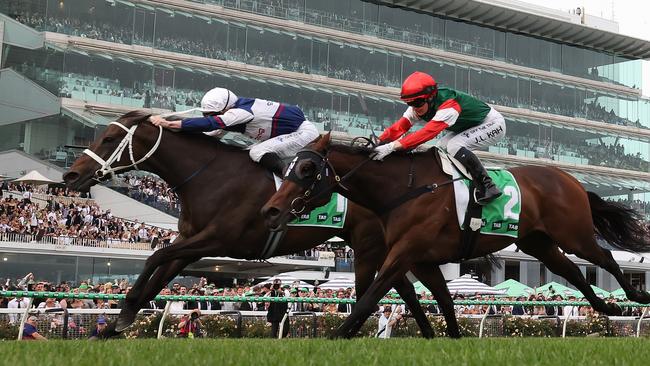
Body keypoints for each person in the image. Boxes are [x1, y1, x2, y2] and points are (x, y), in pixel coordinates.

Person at [371, 71, 506, 204]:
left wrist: (392, 146)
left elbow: (427, 133)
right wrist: (379, 141)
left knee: (454, 146)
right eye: (409, 103)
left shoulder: (449, 105)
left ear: (430, 97)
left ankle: (488, 186)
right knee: (440, 147)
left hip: (492, 123)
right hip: (469, 125)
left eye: (417, 102)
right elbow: (400, 127)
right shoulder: (418, 107)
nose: (414, 107)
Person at [149, 87, 319, 176]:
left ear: (224, 109)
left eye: (212, 114)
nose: (210, 117)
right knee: (248, 153)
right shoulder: (235, 110)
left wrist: (167, 123)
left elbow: (210, 124)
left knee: (256, 151)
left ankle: (287, 177)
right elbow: (209, 134)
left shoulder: (239, 112)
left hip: (304, 133)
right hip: (290, 134)